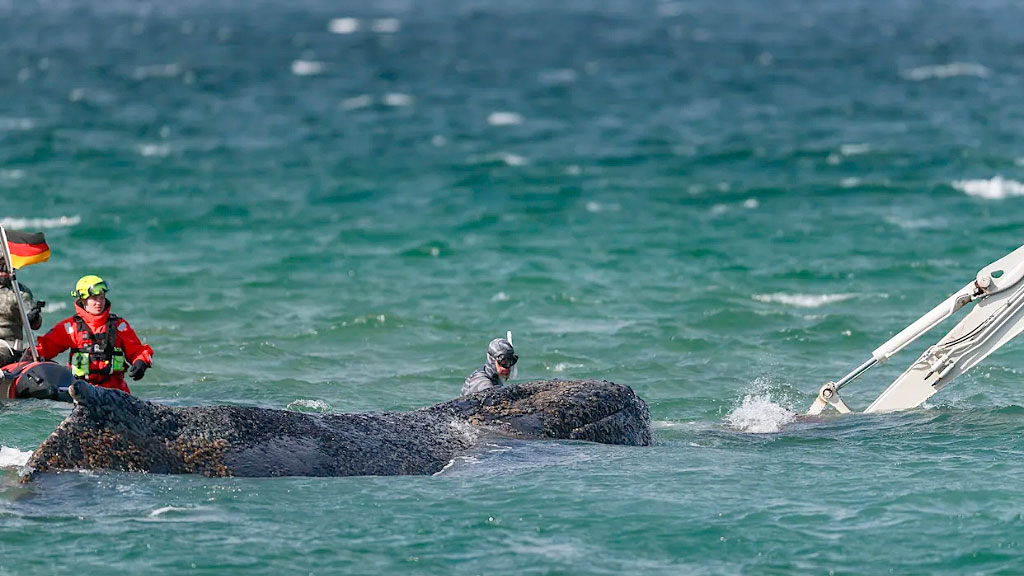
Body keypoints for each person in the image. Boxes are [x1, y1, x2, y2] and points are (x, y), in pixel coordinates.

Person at [33, 275, 153, 394]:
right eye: (94, 298)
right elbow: (46, 347)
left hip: (115, 391)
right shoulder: (71, 327)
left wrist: (141, 361)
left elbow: (137, 351)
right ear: (83, 300)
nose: (99, 302)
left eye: (102, 298)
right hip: (82, 390)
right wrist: (31, 355)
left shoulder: (119, 326)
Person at [0, 257, 44, 367]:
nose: (4, 270)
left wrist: (33, 316)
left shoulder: (20, 292)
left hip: (8, 347)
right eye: (0, 265)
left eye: (7, 266)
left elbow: (35, 325)